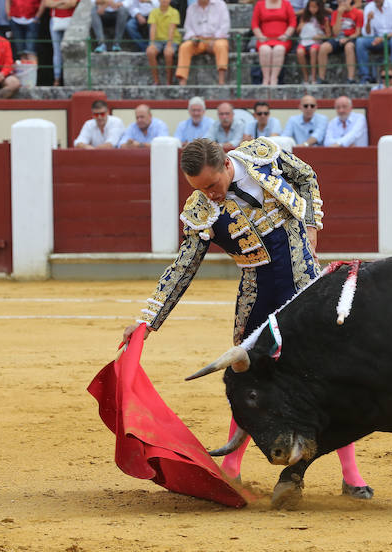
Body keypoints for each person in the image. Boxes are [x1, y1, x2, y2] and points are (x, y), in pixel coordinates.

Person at [120, 137, 373, 501]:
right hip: (259, 295)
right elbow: (183, 267)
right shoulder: (200, 210)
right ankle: (231, 469)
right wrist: (148, 320)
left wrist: (312, 225)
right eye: (199, 189)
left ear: (225, 164)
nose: (210, 195)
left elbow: (306, 176)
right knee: (249, 376)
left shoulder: (262, 156)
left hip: (304, 283)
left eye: (212, 186)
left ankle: (351, 475)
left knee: (328, 373)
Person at [176, 0, 230, 85]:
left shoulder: (220, 5)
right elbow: (188, 28)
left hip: (216, 39)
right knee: (184, 47)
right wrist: (193, 37)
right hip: (198, 40)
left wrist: (215, 38)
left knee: (221, 46)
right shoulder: (191, 8)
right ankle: (182, 81)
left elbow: (225, 26)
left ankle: (221, 81)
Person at [355, 0, 392, 83]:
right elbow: (367, 34)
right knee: (360, 42)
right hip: (379, 39)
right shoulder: (369, 7)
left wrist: (383, 38)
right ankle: (365, 77)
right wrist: (368, 21)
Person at [316, 0, 362, 84]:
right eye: (340, 2)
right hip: (337, 38)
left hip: (351, 37)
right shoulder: (335, 13)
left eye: (344, 1)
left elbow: (358, 33)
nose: (342, 4)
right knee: (323, 47)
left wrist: (347, 39)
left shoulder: (358, 13)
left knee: (349, 47)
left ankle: (350, 78)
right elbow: (335, 32)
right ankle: (321, 78)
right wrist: (339, 15)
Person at [252, 0, 297, 86]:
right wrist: (260, 36)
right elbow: (255, 24)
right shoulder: (260, 4)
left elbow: (293, 22)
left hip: (282, 40)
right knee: (264, 50)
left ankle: (274, 78)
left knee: (279, 49)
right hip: (264, 39)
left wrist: (286, 35)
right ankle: (266, 79)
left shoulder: (286, 3)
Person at [144, 0, 180, 85]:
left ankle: (169, 82)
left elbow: (172, 29)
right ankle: (156, 81)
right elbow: (152, 28)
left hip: (172, 39)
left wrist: (169, 44)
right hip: (157, 40)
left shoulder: (174, 12)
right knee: (150, 51)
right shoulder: (153, 12)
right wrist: (152, 44)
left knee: (168, 53)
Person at [296, 0, 331, 84]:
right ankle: (306, 76)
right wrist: (300, 26)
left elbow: (328, 34)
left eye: (315, 7)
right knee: (299, 52)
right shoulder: (304, 18)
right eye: (310, 7)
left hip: (316, 42)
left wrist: (321, 36)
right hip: (304, 41)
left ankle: (314, 76)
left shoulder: (324, 19)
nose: (312, 9)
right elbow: (298, 31)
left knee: (313, 51)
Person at [45, 0, 78, 86]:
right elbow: (47, 3)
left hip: (70, 20)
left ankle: (71, 79)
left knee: (70, 50)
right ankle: (57, 79)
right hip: (55, 21)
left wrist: (56, 4)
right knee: (57, 51)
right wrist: (63, 2)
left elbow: (72, 3)